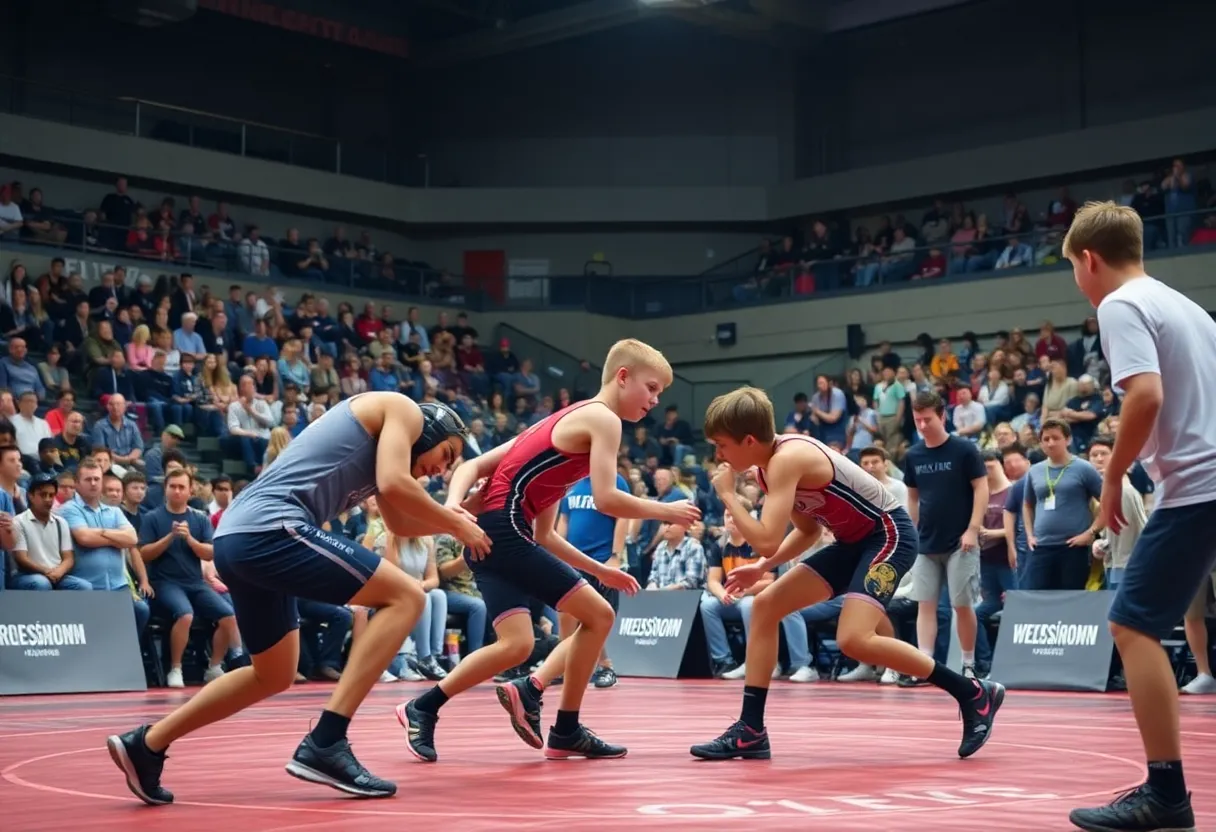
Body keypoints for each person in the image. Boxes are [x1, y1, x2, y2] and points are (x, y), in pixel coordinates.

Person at [105, 395, 488, 805]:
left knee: (272, 673)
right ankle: (327, 740)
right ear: (429, 429)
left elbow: (400, 519)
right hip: (271, 528)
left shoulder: (385, 461)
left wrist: (463, 513)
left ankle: (147, 744)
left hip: (238, 539)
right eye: (446, 454)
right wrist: (454, 522)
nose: (442, 469)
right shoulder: (403, 409)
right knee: (407, 597)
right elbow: (398, 485)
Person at [398, 339, 700, 762]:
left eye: (660, 394)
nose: (654, 400)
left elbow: (544, 535)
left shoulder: (557, 430)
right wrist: (664, 508)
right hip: (502, 531)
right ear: (622, 377)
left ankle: (423, 706)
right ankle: (565, 727)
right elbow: (607, 499)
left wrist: (603, 570)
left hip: (492, 537)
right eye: (651, 388)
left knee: (517, 644)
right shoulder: (603, 419)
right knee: (600, 616)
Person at [688, 387, 1003, 762]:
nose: (718, 455)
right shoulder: (768, 470)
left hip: (890, 534)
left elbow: (768, 539)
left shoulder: (788, 459)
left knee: (853, 639)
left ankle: (972, 692)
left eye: (722, 445)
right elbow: (805, 531)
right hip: (854, 542)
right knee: (766, 605)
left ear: (750, 440)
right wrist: (762, 567)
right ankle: (751, 730)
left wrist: (727, 495)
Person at [1065, 201, 1215, 832]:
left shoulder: (1120, 306)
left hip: (1197, 485)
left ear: (1089, 260)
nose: (1077, 279)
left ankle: (1167, 794)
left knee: (1132, 625)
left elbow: (1146, 395)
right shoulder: (1189, 307)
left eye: (1072, 267)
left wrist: (1113, 470)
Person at [555, 473, 631, 688]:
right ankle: (562, 666)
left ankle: (605, 667)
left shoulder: (614, 481)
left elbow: (623, 518)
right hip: (573, 560)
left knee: (595, 618)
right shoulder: (571, 484)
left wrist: (615, 556)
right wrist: (558, 553)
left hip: (601, 561)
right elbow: (564, 519)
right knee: (565, 615)